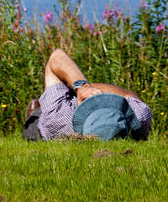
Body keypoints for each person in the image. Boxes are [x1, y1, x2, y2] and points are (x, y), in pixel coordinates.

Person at [23, 47, 152, 142]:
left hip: (52, 121)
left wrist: (83, 87)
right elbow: (129, 95)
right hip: (73, 101)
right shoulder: (139, 117)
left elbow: (56, 56)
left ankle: (36, 114)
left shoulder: (60, 118)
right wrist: (84, 87)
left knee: (36, 126)